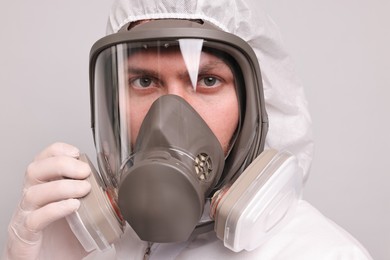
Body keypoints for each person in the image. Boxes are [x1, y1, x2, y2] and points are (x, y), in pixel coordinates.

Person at [3, 0, 373, 259]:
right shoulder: (94, 250)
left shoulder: (323, 254)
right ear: (114, 104)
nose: (169, 117)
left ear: (255, 105)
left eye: (208, 80)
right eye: (144, 81)